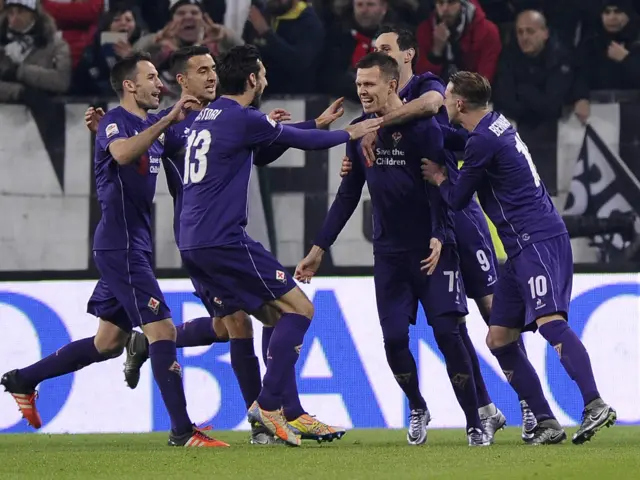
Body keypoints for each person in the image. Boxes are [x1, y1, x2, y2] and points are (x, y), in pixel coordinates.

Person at [84, 45, 348, 444]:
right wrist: (106, 131)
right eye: (201, 70)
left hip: (201, 239)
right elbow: (130, 146)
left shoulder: (215, 119)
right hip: (210, 236)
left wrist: (311, 123)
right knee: (250, 321)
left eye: (213, 68)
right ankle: (267, 417)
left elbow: (261, 149)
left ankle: (281, 415)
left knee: (243, 322)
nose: (210, 76)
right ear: (182, 81)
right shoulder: (174, 123)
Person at [1, 52, 228, 448]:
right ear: (130, 84)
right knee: (162, 329)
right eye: (152, 78)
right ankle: (181, 431)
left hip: (134, 245)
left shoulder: (144, 127)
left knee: (107, 343)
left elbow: (195, 136)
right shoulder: (116, 122)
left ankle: (24, 378)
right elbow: (122, 153)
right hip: (119, 245)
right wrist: (164, 120)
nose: (160, 85)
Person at [177, 44, 381, 446]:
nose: (266, 79)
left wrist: (318, 124)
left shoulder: (210, 116)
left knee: (274, 317)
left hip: (193, 242)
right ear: (252, 79)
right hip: (224, 240)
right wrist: (348, 133)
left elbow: (273, 143)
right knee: (300, 308)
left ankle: (293, 412)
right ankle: (267, 405)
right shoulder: (241, 116)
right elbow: (295, 143)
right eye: (264, 73)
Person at [340, 25, 533, 441]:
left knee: (492, 311)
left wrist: (375, 124)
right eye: (375, 50)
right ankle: (483, 409)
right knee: (452, 328)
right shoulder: (376, 102)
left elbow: (430, 106)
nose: (379, 53)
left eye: (386, 49)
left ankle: (530, 404)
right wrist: (364, 132)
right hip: (422, 225)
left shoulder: (428, 86)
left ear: (407, 56)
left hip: (459, 217)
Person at [297, 51, 491, 447]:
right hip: (389, 255)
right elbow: (348, 195)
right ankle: (418, 406)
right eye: (358, 85)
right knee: (394, 340)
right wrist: (319, 248)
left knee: (448, 334)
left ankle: (474, 421)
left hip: (434, 250)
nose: (362, 91)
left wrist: (440, 233)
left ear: (390, 84)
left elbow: (438, 182)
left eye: (369, 84)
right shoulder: (357, 132)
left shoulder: (425, 127)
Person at [421, 71, 617, 445]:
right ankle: (546, 421)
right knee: (498, 337)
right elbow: (458, 138)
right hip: (520, 246)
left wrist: (440, 177)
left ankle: (594, 403)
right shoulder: (495, 124)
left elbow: (459, 198)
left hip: (536, 240)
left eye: (446, 97)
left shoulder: (481, 142)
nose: (443, 102)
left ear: (459, 103)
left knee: (550, 322)